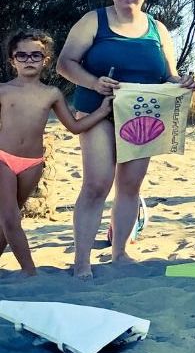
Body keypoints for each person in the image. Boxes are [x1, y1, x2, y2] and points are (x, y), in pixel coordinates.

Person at [58, 0, 195, 279]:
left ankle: (120, 252)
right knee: (96, 184)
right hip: (97, 111)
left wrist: (182, 82)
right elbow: (65, 64)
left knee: (130, 186)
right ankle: (82, 261)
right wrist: (93, 82)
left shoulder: (158, 29)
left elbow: (168, 75)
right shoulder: (93, 21)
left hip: (142, 116)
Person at [0, 31, 113, 276]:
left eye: (35, 55)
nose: (28, 59)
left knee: (8, 220)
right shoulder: (3, 90)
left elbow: (73, 126)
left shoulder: (52, 94)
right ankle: (30, 273)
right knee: (9, 219)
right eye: (22, 55)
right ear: (12, 60)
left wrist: (102, 112)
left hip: (32, 164)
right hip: (3, 160)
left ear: (46, 60)